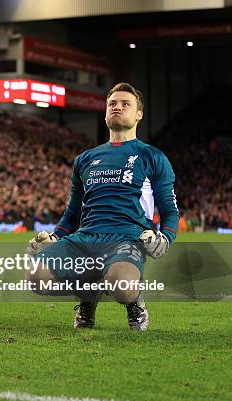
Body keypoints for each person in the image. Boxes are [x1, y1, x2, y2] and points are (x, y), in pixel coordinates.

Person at [25, 83, 179, 331]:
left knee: (123, 287)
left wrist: (166, 237)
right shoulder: (85, 159)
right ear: (106, 112)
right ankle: (88, 295)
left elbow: (170, 210)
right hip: (85, 238)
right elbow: (73, 213)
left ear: (139, 114)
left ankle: (135, 301)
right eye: (112, 104)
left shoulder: (153, 157)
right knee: (36, 278)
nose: (117, 107)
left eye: (125, 104)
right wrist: (53, 237)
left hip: (127, 238)